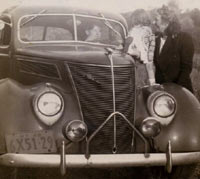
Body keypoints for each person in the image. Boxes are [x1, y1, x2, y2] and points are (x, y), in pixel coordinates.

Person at [153, 6, 194, 92]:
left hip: (180, 90)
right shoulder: (155, 39)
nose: (154, 22)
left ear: (166, 22)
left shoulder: (184, 38)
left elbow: (186, 68)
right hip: (161, 94)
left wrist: (175, 89)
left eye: (156, 19)